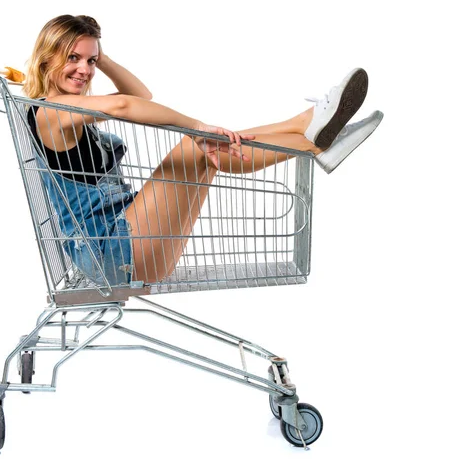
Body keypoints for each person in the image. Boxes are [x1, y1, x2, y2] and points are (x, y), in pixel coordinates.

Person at [25, 15, 383, 286]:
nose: (84, 70)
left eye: (90, 61)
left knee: (206, 149)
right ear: (47, 57)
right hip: (112, 251)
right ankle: (313, 138)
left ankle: (309, 130)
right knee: (195, 145)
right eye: (72, 58)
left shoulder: (73, 109)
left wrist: (101, 56)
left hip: (130, 240)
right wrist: (195, 126)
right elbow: (123, 106)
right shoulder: (50, 112)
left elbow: (139, 96)